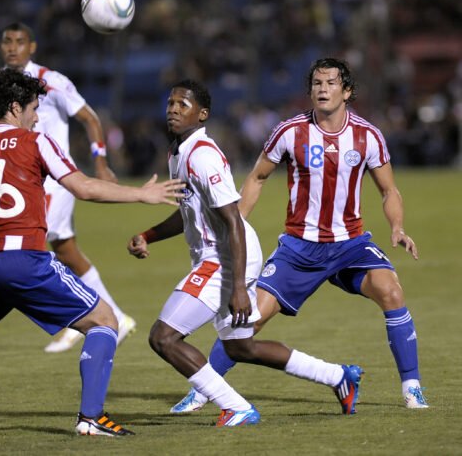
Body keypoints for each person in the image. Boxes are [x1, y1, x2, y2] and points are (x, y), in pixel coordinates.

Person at [0, 68, 185, 441]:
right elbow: (83, 188)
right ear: (15, 108)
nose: (37, 116)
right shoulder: (36, 142)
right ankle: (91, 417)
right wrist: (141, 195)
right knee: (104, 321)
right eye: (34, 108)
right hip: (25, 261)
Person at [170, 57, 428, 413]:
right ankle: (204, 390)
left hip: (350, 245)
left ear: (347, 91)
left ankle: (412, 387)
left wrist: (397, 227)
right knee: (248, 321)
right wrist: (237, 224)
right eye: (317, 84)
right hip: (299, 249)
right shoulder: (290, 131)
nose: (322, 89)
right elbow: (258, 177)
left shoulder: (368, 136)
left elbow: (389, 190)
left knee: (392, 291)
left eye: (331, 83)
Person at [127, 79, 363, 428]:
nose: (174, 110)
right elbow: (189, 211)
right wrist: (149, 235)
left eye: (183, 105)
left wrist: (237, 287)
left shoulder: (203, 157)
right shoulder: (179, 153)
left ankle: (235, 406)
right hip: (225, 256)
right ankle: (337, 376)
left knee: (163, 337)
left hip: (224, 259)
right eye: (171, 103)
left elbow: (233, 221)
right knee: (241, 348)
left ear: (202, 114)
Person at [0, 22, 136, 353]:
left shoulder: (52, 81)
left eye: (20, 42)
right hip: (21, 185)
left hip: (54, 181)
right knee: (66, 251)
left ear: (32, 47)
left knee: (29, 248)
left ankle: (79, 318)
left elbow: (89, 118)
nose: (12, 47)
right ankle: (116, 316)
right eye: (7, 41)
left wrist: (100, 162)